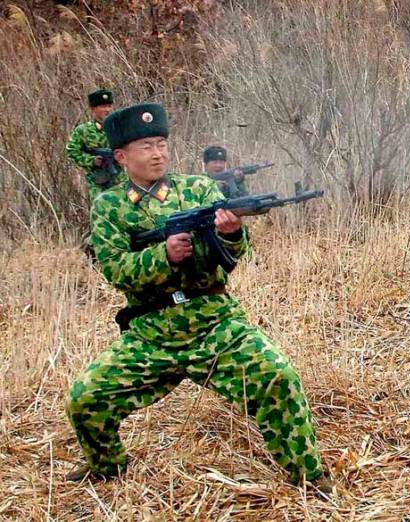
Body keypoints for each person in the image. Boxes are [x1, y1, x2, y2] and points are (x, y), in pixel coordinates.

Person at [64, 103, 333, 494]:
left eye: (161, 143)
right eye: (146, 146)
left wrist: (230, 233)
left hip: (213, 320)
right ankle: (107, 468)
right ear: (121, 157)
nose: (158, 153)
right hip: (151, 331)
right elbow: (115, 269)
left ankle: (309, 476)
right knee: (85, 400)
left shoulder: (198, 189)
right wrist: (164, 255)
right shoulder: (109, 206)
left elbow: (230, 260)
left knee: (279, 376)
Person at [65, 88, 125, 202]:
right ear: (93, 109)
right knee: (101, 210)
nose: (107, 110)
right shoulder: (83, 131)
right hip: (97, 182)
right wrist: (91, 160)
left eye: (109, 106)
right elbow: (71, 152)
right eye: (103, 107)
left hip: (120, 179)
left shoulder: (120, 128)